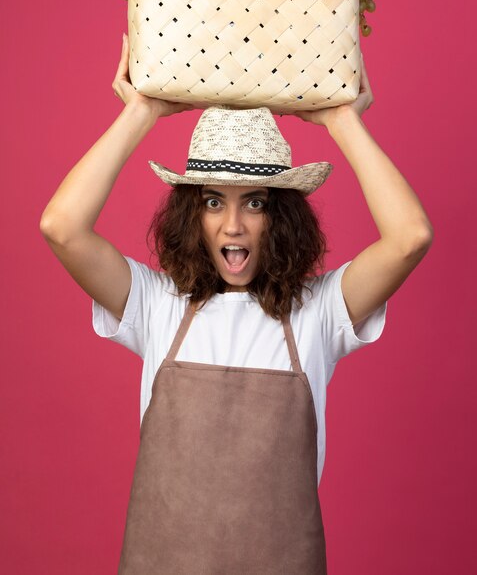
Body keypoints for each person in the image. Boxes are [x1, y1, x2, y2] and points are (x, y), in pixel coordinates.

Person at [40, 33, 433, 574]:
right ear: (189, 217)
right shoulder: (159, 305)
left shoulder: (317, 314)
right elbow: (61, 228)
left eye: (254, 203)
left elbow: (409, 237)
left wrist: (343, 119)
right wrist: (143, 111)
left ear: (283, 217)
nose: (233, 225)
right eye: (211, 202)